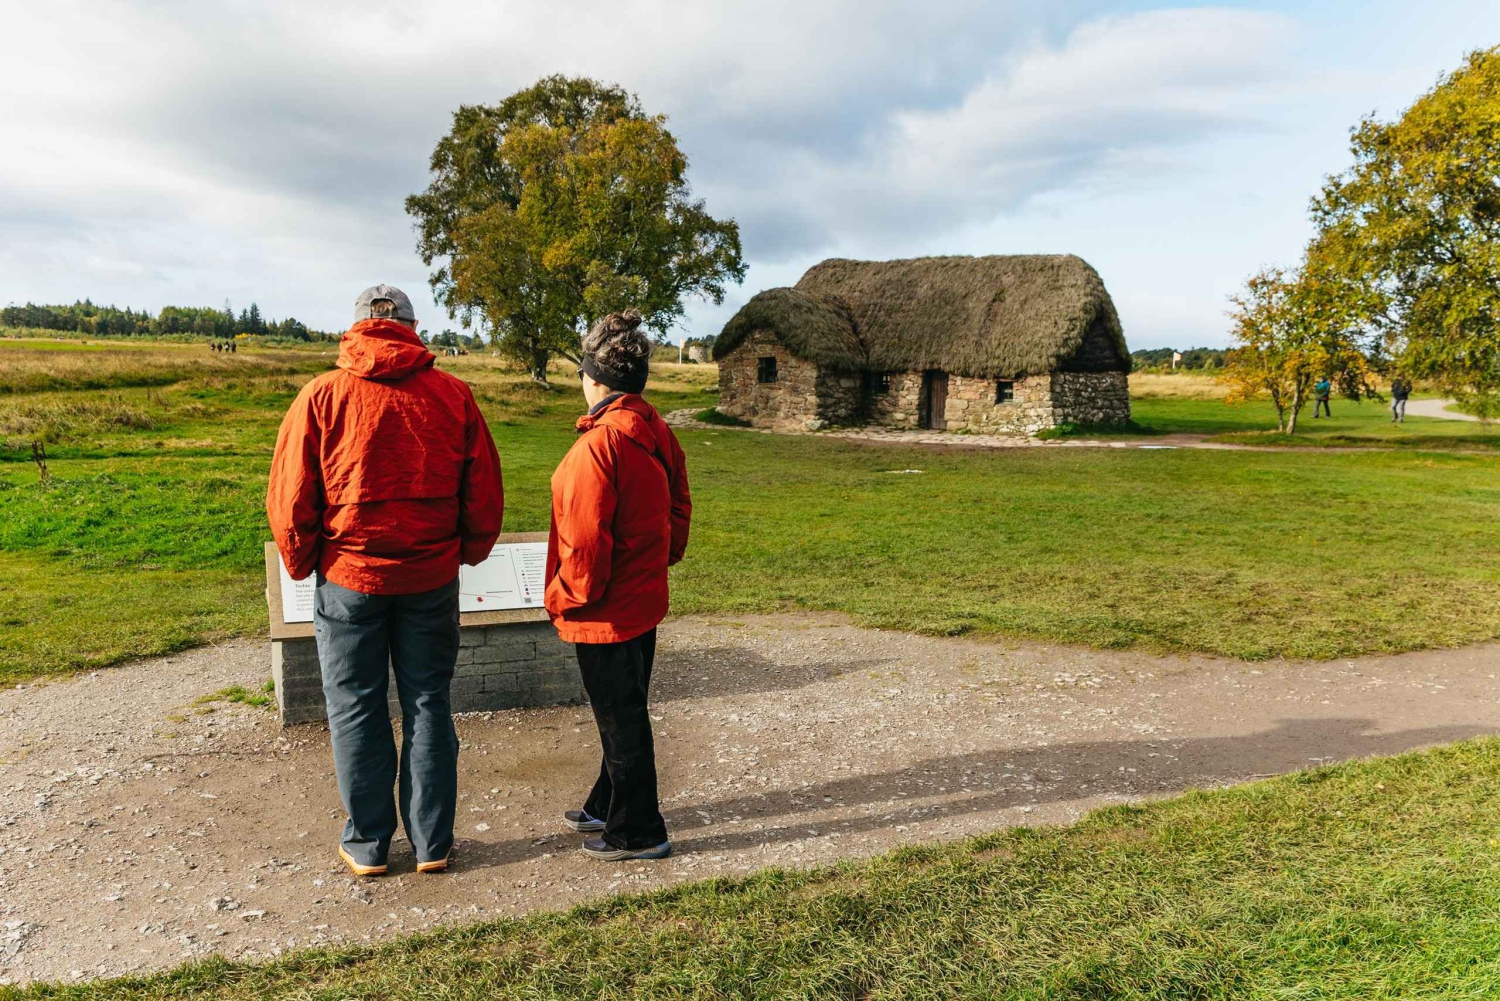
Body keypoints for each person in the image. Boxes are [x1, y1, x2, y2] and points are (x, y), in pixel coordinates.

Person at [266, 284, 503, 878]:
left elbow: (291, 495)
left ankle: (369, 843)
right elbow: (484, 492)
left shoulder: (321, 395)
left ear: (355, 330)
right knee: (428, 700)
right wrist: (466, 552)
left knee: (354, 706)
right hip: (428, 575)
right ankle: (432, 844)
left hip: (350, 576)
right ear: (412, 327)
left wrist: (302, 562)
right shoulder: (453, 395)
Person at [546, 310, 691, 861]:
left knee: (621, 716)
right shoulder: (655, 429)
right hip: (641, 599)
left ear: (594, 379)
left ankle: (638, 830)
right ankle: (607, 803)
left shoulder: (597, 447)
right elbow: (679, 505)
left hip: (604, 610)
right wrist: (661, 560)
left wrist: (567, 596)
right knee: (624, 706)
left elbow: (583, 541)